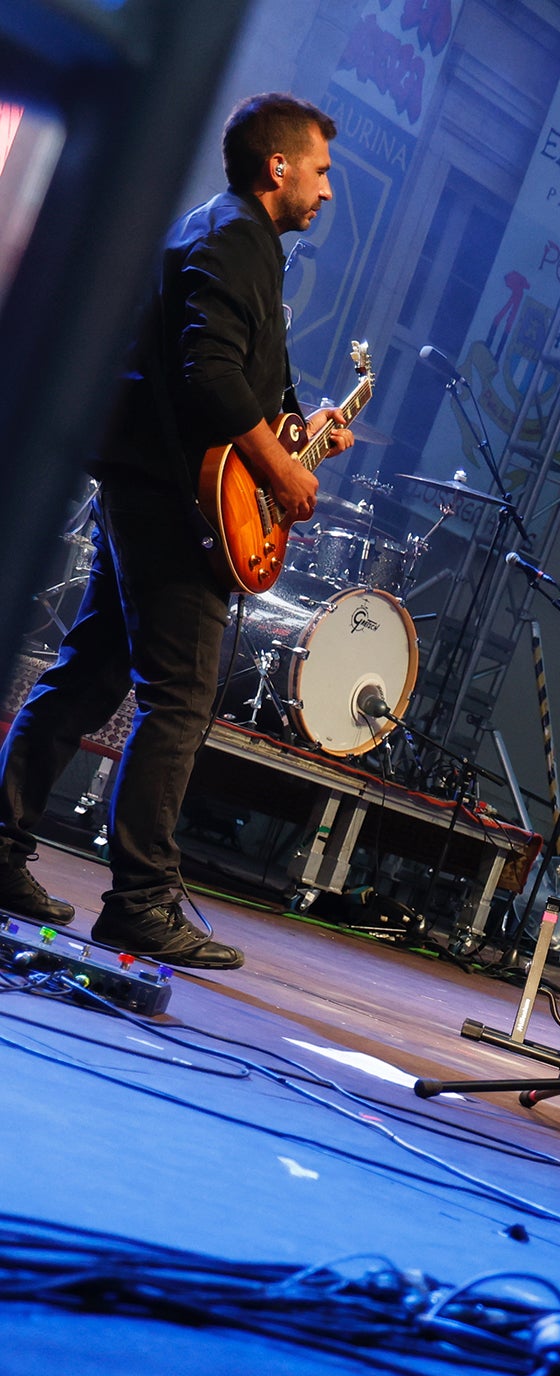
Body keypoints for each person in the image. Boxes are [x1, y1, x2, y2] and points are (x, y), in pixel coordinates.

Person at [0, 93, 348, 967]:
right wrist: (281, 467)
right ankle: (141, 900)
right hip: (171, 498)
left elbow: (245, 372)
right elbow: (210, 376)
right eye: (321, 170)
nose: (328, 190)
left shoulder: (229, 234)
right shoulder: (236, 238)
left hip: (145, 484)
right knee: (181, 695)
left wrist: (306, 429)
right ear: (280, 168)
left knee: (88, 671)